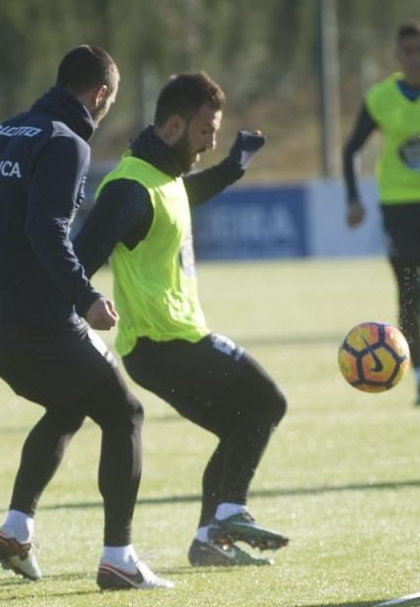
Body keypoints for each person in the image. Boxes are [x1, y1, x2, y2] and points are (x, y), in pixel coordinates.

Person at [0, 45, 173, 591]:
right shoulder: (67, 144)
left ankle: (16, 530)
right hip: (34, 321)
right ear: (101, 94)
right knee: (125, 413)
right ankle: (119, 558)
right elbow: (47, 229)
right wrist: (85, 296)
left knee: (69, 404)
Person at [74, 71, 289, 567]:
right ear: (174, 124)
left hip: (161, 348)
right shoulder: (129, 186)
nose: (211, 141)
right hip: (164, 342)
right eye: (206, 131)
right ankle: (230, 513)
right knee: (267, 402)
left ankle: (209, 541)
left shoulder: (161, 177)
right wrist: (82, 300)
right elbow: (81, 254)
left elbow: (185, 196)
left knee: (241, 429)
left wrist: (234, 165)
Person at [343, 21, 420, 406]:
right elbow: (351, 149)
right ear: (398, 56)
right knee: (408, 290)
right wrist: (353, 199)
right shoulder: (380, 97)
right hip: (398, 207)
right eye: (408, 51)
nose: (415, 58)